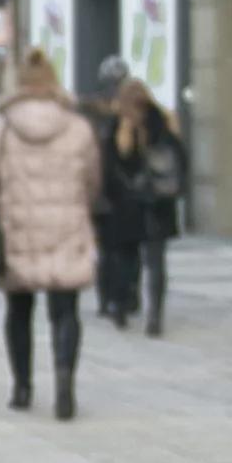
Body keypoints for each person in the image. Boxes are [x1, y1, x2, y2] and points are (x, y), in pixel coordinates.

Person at [0, 51, 102, 420]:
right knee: (65, 309)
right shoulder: (78, 127)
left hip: (19, 227)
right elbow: (92, 180)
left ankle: (23, 387)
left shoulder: (4, 128)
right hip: (66, 226)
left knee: (19, 309)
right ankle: (64, 384)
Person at [111, 79, 188, 336]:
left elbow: (120, 156)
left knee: (126, 257)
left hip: (132, 202)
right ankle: (154, 313)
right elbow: (180, 157)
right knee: (156, 262)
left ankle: (123, 306)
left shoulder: (122, 121)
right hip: (160, 201)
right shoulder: (164, 119)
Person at [83, 56, 142, 323]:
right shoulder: (135, 111)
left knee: (109, 249)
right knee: (128, 249)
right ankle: (126, 296)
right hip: (127, 192)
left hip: (104, 191)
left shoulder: (93, 111)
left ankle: (110, 298)